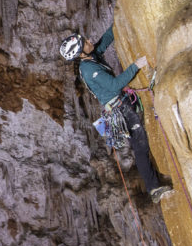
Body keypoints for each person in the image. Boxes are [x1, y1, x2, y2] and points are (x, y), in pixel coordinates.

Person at [60, 26, 173, 203]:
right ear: (80, 53)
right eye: (85, 42)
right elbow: (114, 85)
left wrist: (117, 22)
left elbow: (104, 41)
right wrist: (136, 65)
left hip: (123, 102)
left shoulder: (90, 55)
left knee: (143, 139)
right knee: (140, 145)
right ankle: (154, 189)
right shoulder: (88, 69)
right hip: (120, 109)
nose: (89, 40)